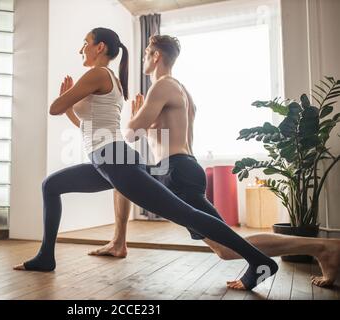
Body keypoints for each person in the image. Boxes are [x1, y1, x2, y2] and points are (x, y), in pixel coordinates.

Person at [14, 28, 279, 291]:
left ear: (100, 47)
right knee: (51, 185)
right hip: (106, 159)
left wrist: (67, 96)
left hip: (114, 158)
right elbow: (83, 125)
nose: (81, 49)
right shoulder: (111, 79)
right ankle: (46, 257)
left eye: (85, 43)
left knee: (187, 214)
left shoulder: (97, 73)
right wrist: (72, 104)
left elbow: (54, 108)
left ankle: (259, 261)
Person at [88, 34, 340, 289]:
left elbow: (131, 132)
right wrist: (148, 122)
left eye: (145, 55)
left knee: (225, 247)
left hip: (175, 171)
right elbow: (165, 132)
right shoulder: (182, 92)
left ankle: (322, 247)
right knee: (125, 178)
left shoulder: (162, 86)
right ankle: (118, 241)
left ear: (156, 56)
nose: (144, 60)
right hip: (180, 167)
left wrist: (135, 116)